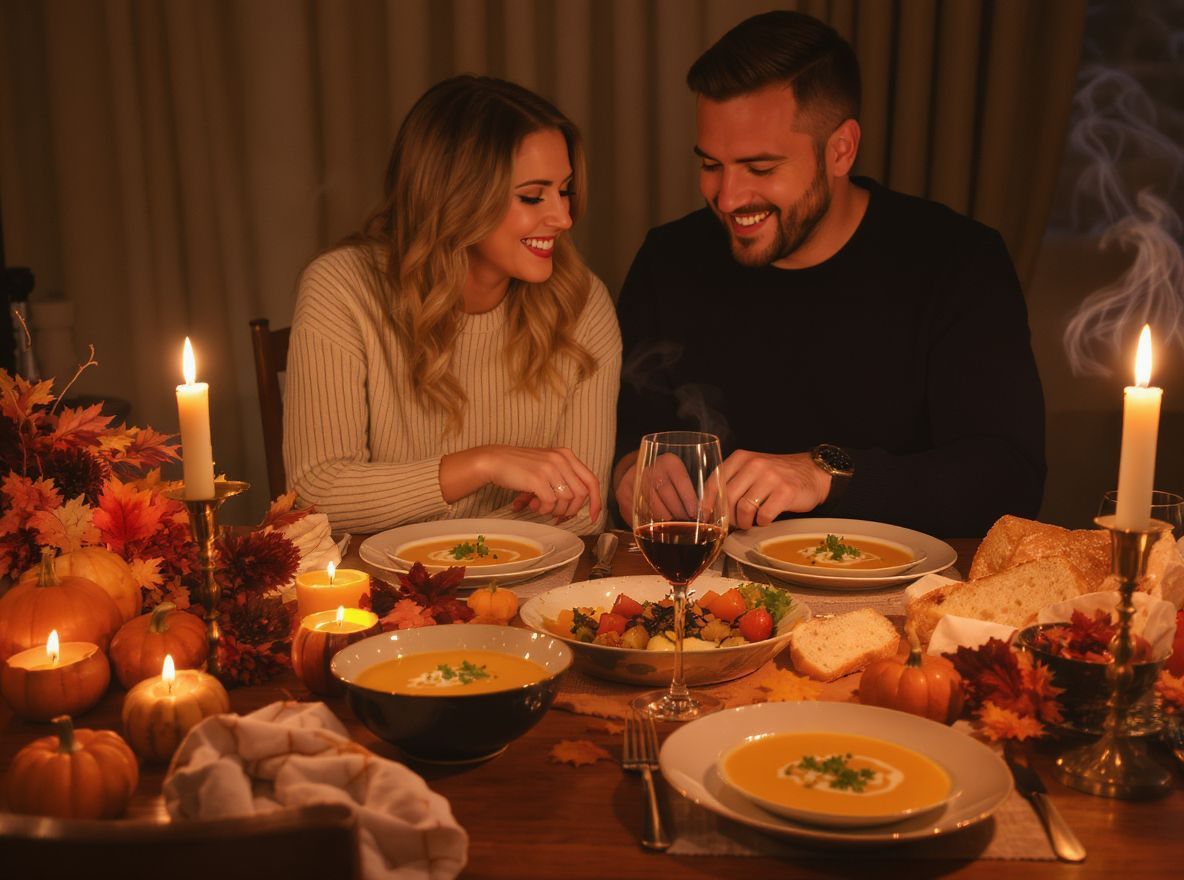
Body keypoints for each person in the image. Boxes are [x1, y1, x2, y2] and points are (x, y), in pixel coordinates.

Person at [613, 11, 1045, 538]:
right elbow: (626, 439)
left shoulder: (958, 260)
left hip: (898, 597)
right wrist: (632, 472)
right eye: (710, 164)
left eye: (761, 168)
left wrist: (825, 475)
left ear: (840, 149)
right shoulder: (668, 258)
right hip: (711, 597)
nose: (727, 199)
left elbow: (1009, 480)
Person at [285, 76, 621, 535]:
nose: (563, 217)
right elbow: (316, 494)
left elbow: (581, 507)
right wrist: (482, 463)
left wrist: (459, 555)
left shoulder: (581, 301)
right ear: (456, 196)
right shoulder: (342, 289)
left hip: (531, 589)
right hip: (379, 594)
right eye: (532, 196)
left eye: (564, 190)